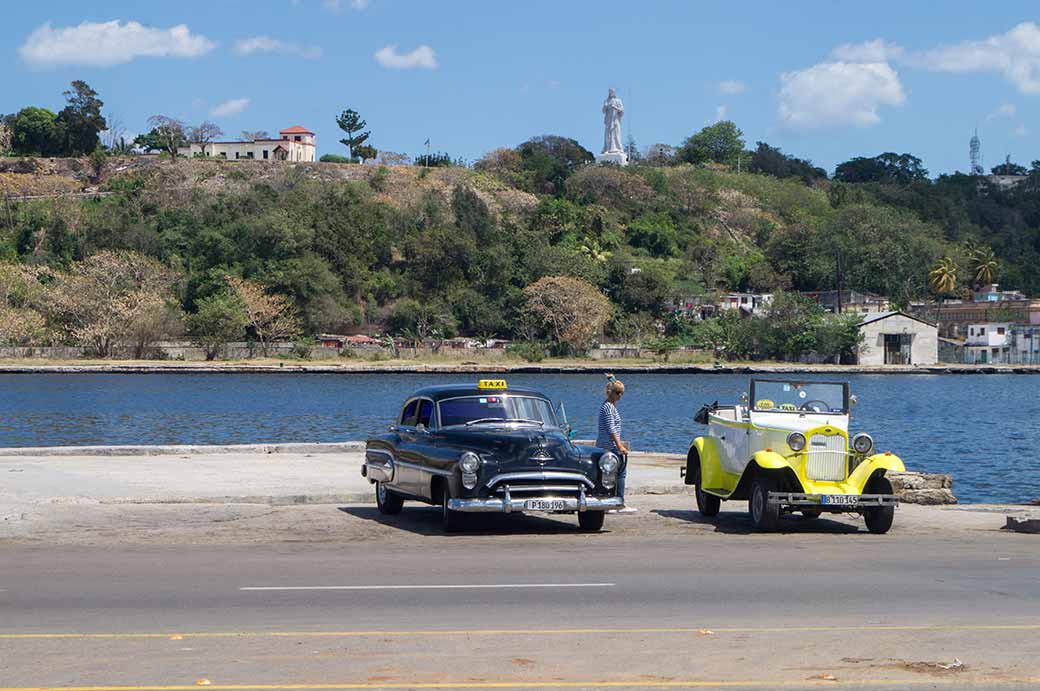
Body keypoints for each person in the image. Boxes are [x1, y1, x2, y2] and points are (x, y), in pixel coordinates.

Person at [597, 374, 636, 513]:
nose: (620, 396)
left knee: (612, 474)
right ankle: (618, 503)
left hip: (609, 445)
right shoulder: (608, 407)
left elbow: (614, 384)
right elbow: (611, 428)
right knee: (620, 473)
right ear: (611, 393)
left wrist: (612, 378)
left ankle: (612, 502)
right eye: (618, 393)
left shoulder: (610, 406)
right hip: (609, 446)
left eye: (622, 393)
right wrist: (619, 446)